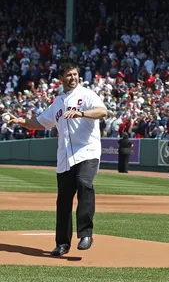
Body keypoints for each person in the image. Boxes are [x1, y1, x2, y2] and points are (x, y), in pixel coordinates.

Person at [2, 63, 107, 257]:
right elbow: (40, 122)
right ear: (61, 78)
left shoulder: (87, 94)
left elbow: (103, 112)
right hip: (65, 156)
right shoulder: (57, 103)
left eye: (75, 74)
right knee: (64, 200)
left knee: (85, 183)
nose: (73, 78)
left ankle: (86, 234)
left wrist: (82, 113)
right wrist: (20, 121)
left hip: (87, 151)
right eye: (69, 75)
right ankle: (62, 243)